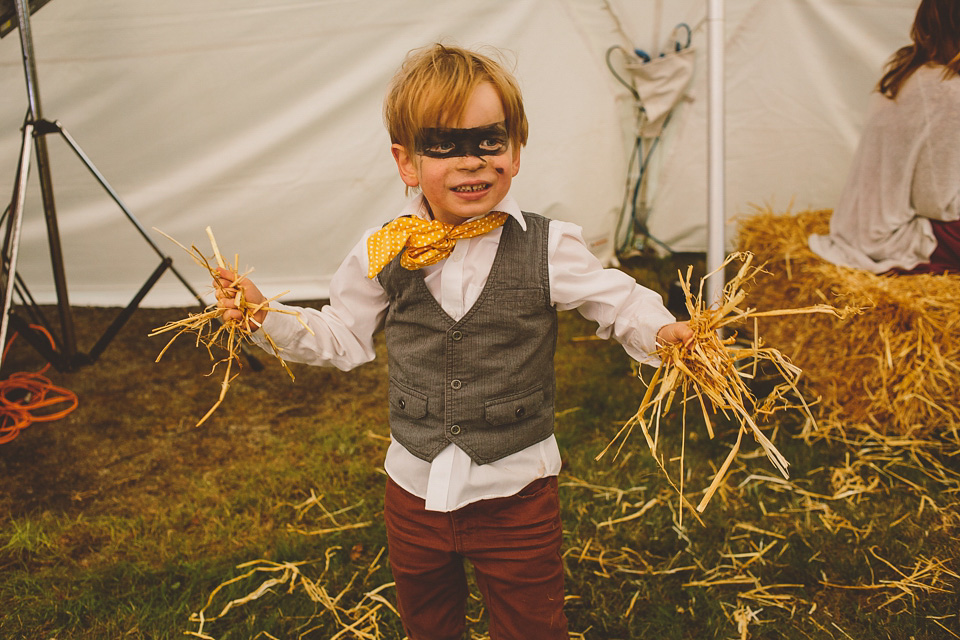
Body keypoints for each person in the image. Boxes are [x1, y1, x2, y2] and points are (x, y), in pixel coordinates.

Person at [215, 43, 693, 640]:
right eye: (443, 146)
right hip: (413, 490)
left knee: (532, 627)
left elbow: (617, 298)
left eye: (489, 141)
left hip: (516, 492)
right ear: (407, 162)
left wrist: (665, 329)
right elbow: (341, 336)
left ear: (516, 151)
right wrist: (267, 317)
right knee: (429, 624)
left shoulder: (549, 246)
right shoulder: (383, 250)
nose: (471, 162)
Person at [808, 0, 960, 274]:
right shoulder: (949, 91)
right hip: (892, 236)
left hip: (863, 226)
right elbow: (937, 203)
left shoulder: (911, 71)